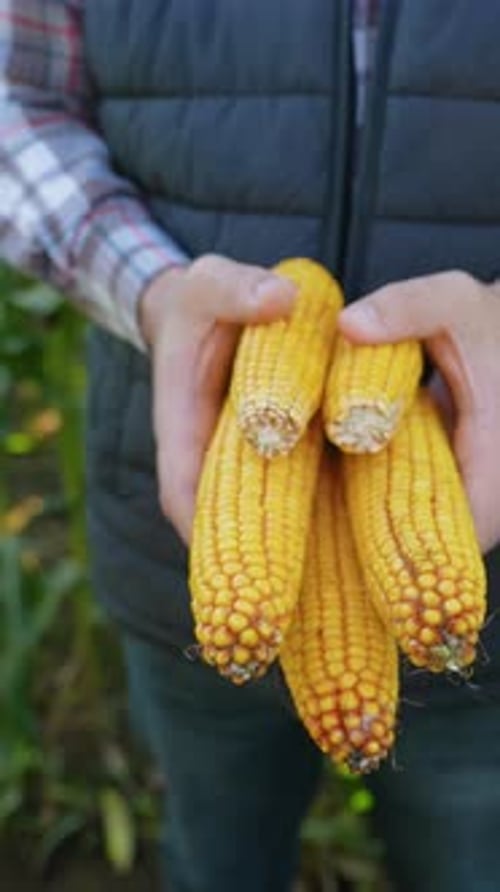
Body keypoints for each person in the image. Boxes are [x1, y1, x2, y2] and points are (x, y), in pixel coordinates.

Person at [2, 2, 500, 890]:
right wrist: (150, 292)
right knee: (217, 854)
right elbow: (17, 98)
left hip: (488, 602)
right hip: (176, 554)